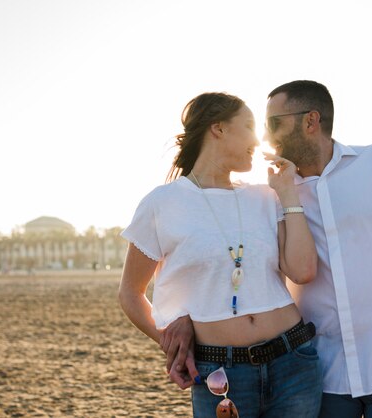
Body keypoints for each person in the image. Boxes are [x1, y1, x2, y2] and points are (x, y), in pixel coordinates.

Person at [166, 81, 372, 417]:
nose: (266, 135)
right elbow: (237, 268)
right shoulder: (270, 195)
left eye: (274, 124)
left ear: (310, 121)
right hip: (319, 375)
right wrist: (186, 318)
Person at [118, 92, 323, 418]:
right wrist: (170, 343)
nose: (258, 139)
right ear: (218, 128)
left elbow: (302, 270)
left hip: (293, 361)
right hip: (219, 373)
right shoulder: (162, 203)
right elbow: (130, 293)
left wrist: (287, 192)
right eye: (249, 126)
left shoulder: (265, 196)